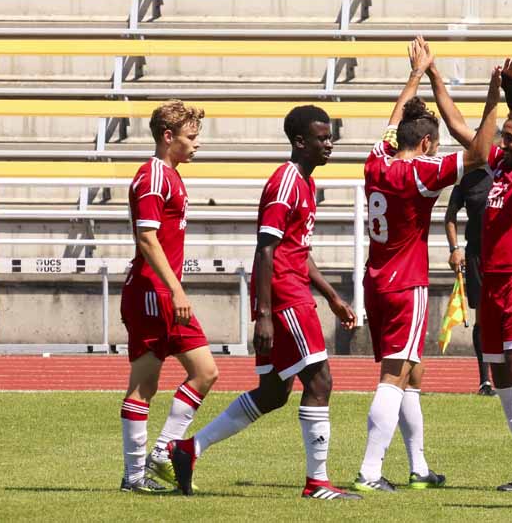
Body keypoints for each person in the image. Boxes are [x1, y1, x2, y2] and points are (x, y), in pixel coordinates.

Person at [167, 105, 361, 501]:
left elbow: (298, 249)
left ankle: (188, 449)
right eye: (322, 138)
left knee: (273, 393)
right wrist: (264, 316)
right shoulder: (286, 182)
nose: (329, 144)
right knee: (320, 381)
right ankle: (317, 482)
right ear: (300, 142)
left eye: (330, 137)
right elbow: (266, 250)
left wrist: (333, 297)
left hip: (293, 290)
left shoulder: (305, 183)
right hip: (285, 296)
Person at [353, 36, 499, 493]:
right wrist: (493, 99)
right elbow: (478, 153)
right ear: (429, 142)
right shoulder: (420, 173)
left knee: (413, 372)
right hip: (405, 282)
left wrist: (417, 73)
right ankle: (370, 472)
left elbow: (391, 123)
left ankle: (418, 468)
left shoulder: (375, 163)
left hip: (376, 278)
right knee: (394, 375)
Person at [428, 57, 512, 491]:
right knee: (501, 377)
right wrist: (433, 77)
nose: (504, 142)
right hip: (491, 282)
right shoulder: (500, 166)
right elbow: (459, 128)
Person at [119, 100, 219, 493]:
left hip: (163, 292)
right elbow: (146, 238)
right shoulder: (153, 177)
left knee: (206, 371)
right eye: (191, 137)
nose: (197, 144)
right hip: (151, 292)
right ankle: (135, 475)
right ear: (168, 137)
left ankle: (159, 454)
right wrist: (176, 289)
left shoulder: (173, 176)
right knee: (144, 385)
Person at [444, 128, 500, 397]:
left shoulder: (504, 173)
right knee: (482, 318)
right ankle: (484, 379)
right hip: (477, 254)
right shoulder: (465, 176)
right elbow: (450, 216)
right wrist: (455, 249)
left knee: (505, 316)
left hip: (504, 254)